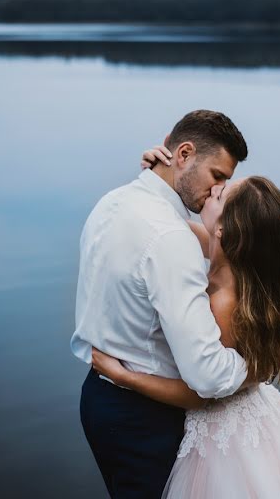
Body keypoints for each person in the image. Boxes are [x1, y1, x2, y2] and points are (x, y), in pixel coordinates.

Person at [91, 150, 280, 498]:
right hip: (261, 418)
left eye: (222, 195)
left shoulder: (223, 302)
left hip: (222, 442)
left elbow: (199, 394)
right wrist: (160, 175)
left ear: (225, 229)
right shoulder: (231, 260)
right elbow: (166, 221)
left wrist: (125, 377)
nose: (215, 189)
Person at [71, 110, 252, 498]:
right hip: (146, 416)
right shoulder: (170, 237)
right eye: (217, 176)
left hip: (99, 398)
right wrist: (256, 367)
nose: (217, 189)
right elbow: (208, 376)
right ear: (184, 153)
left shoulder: (113, 202)